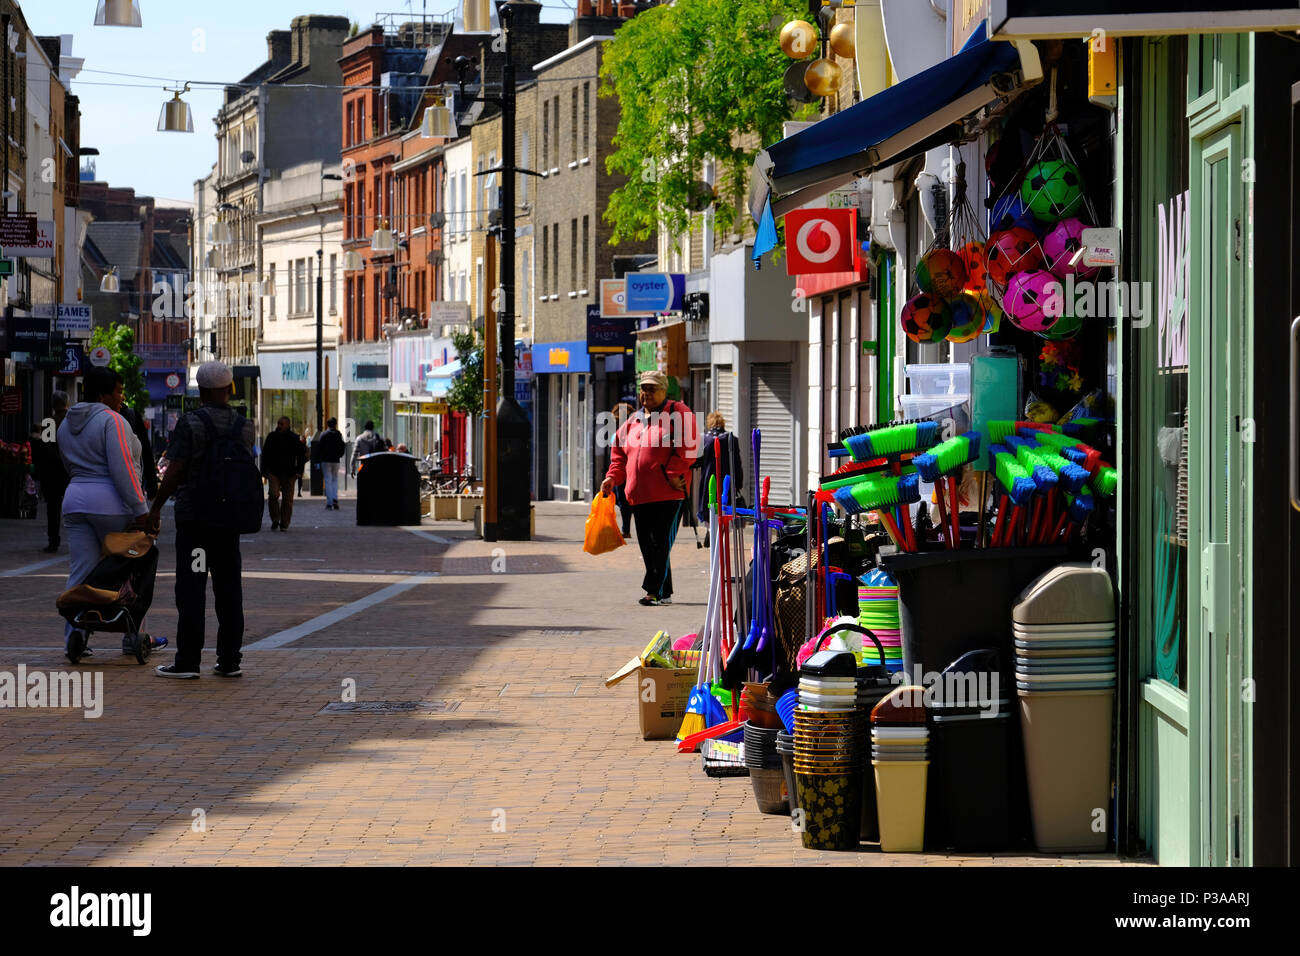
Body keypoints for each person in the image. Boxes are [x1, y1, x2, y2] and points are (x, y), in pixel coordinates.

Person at [148, 360, 257, 678]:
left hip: (195, 522)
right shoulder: (244, 426)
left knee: (192, 589)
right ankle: (229, 661)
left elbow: (175, 470)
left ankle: (188, 661)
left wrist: (155, 508)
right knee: (228, 589)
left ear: (201, 390)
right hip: (228, 522)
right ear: (229, 388)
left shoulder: (190, 423)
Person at [56, 367, 152, 660]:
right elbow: (122, 469)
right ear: (103, 394)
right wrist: (141, 510)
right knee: (132, 568)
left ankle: (75, 635)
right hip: (112, 504)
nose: (122, 398)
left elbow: (68, 466)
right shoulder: (113, 421)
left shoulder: (64, 424)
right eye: (119, 392)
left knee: (81, 570)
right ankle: (132, 635)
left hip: (75, 501)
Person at [600, 370, 697, 606]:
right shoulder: (632, 421)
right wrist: (612, 478)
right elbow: (619, 456)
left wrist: (673, 473)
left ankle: (652, 591)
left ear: (665, 390)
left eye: (653, 388)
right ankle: (665, 593)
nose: (647, 393)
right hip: (638, 494)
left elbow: (690, 446)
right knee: (648, 545)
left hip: (669, 492)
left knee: (660, 542)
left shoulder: (677, 412)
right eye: (644, 388)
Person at [693, 411, 744, 538]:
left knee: (709, 504)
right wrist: (739, 482)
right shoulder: (732, 439)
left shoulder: (704, 438)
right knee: (725, 506)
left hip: (709, 479)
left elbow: (696, 461)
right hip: (727, 480)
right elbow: (737, 463)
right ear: (722, 424)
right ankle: (722, 531)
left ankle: (711, 530)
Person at [31, 391, 70, 552]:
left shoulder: (49, 423)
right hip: (71, 470)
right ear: (67, 404)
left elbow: (46, 448)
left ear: (54, 405)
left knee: (53, 508)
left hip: (53, 472)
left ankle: (53, 540)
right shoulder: (73, 421)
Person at [260, 416, 306, 529]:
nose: (279, 426)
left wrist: (299, 471)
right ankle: (275, 518)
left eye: (282, 424)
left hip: (290, 473)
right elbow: (265, 454)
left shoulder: (294, 438)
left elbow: (301, 456)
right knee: (273, 495)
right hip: (274, 471)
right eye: (278, 424)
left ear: (288, 425)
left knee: (288, 499)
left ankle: (284, 523)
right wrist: (264, 470)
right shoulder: (271, 437)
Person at [610, 401, 635, 538]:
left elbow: (614, 457)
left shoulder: (617, 434)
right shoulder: (636, 431)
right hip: (630, 472)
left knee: (623, 502)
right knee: (627, 502)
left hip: (623, 473)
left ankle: (626, 529)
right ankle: (626, 529)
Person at [315, 417, 345, 510]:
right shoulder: (338, 434)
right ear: (335, 424)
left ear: (327, 424)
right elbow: (342, 446)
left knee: (327, 480)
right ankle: (335, 499)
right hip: (335, 460)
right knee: (335, 480)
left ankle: (329, 502)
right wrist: (339, 455)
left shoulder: (324, 434)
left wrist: (317, 460)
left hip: (326, 460)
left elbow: (319, 448)